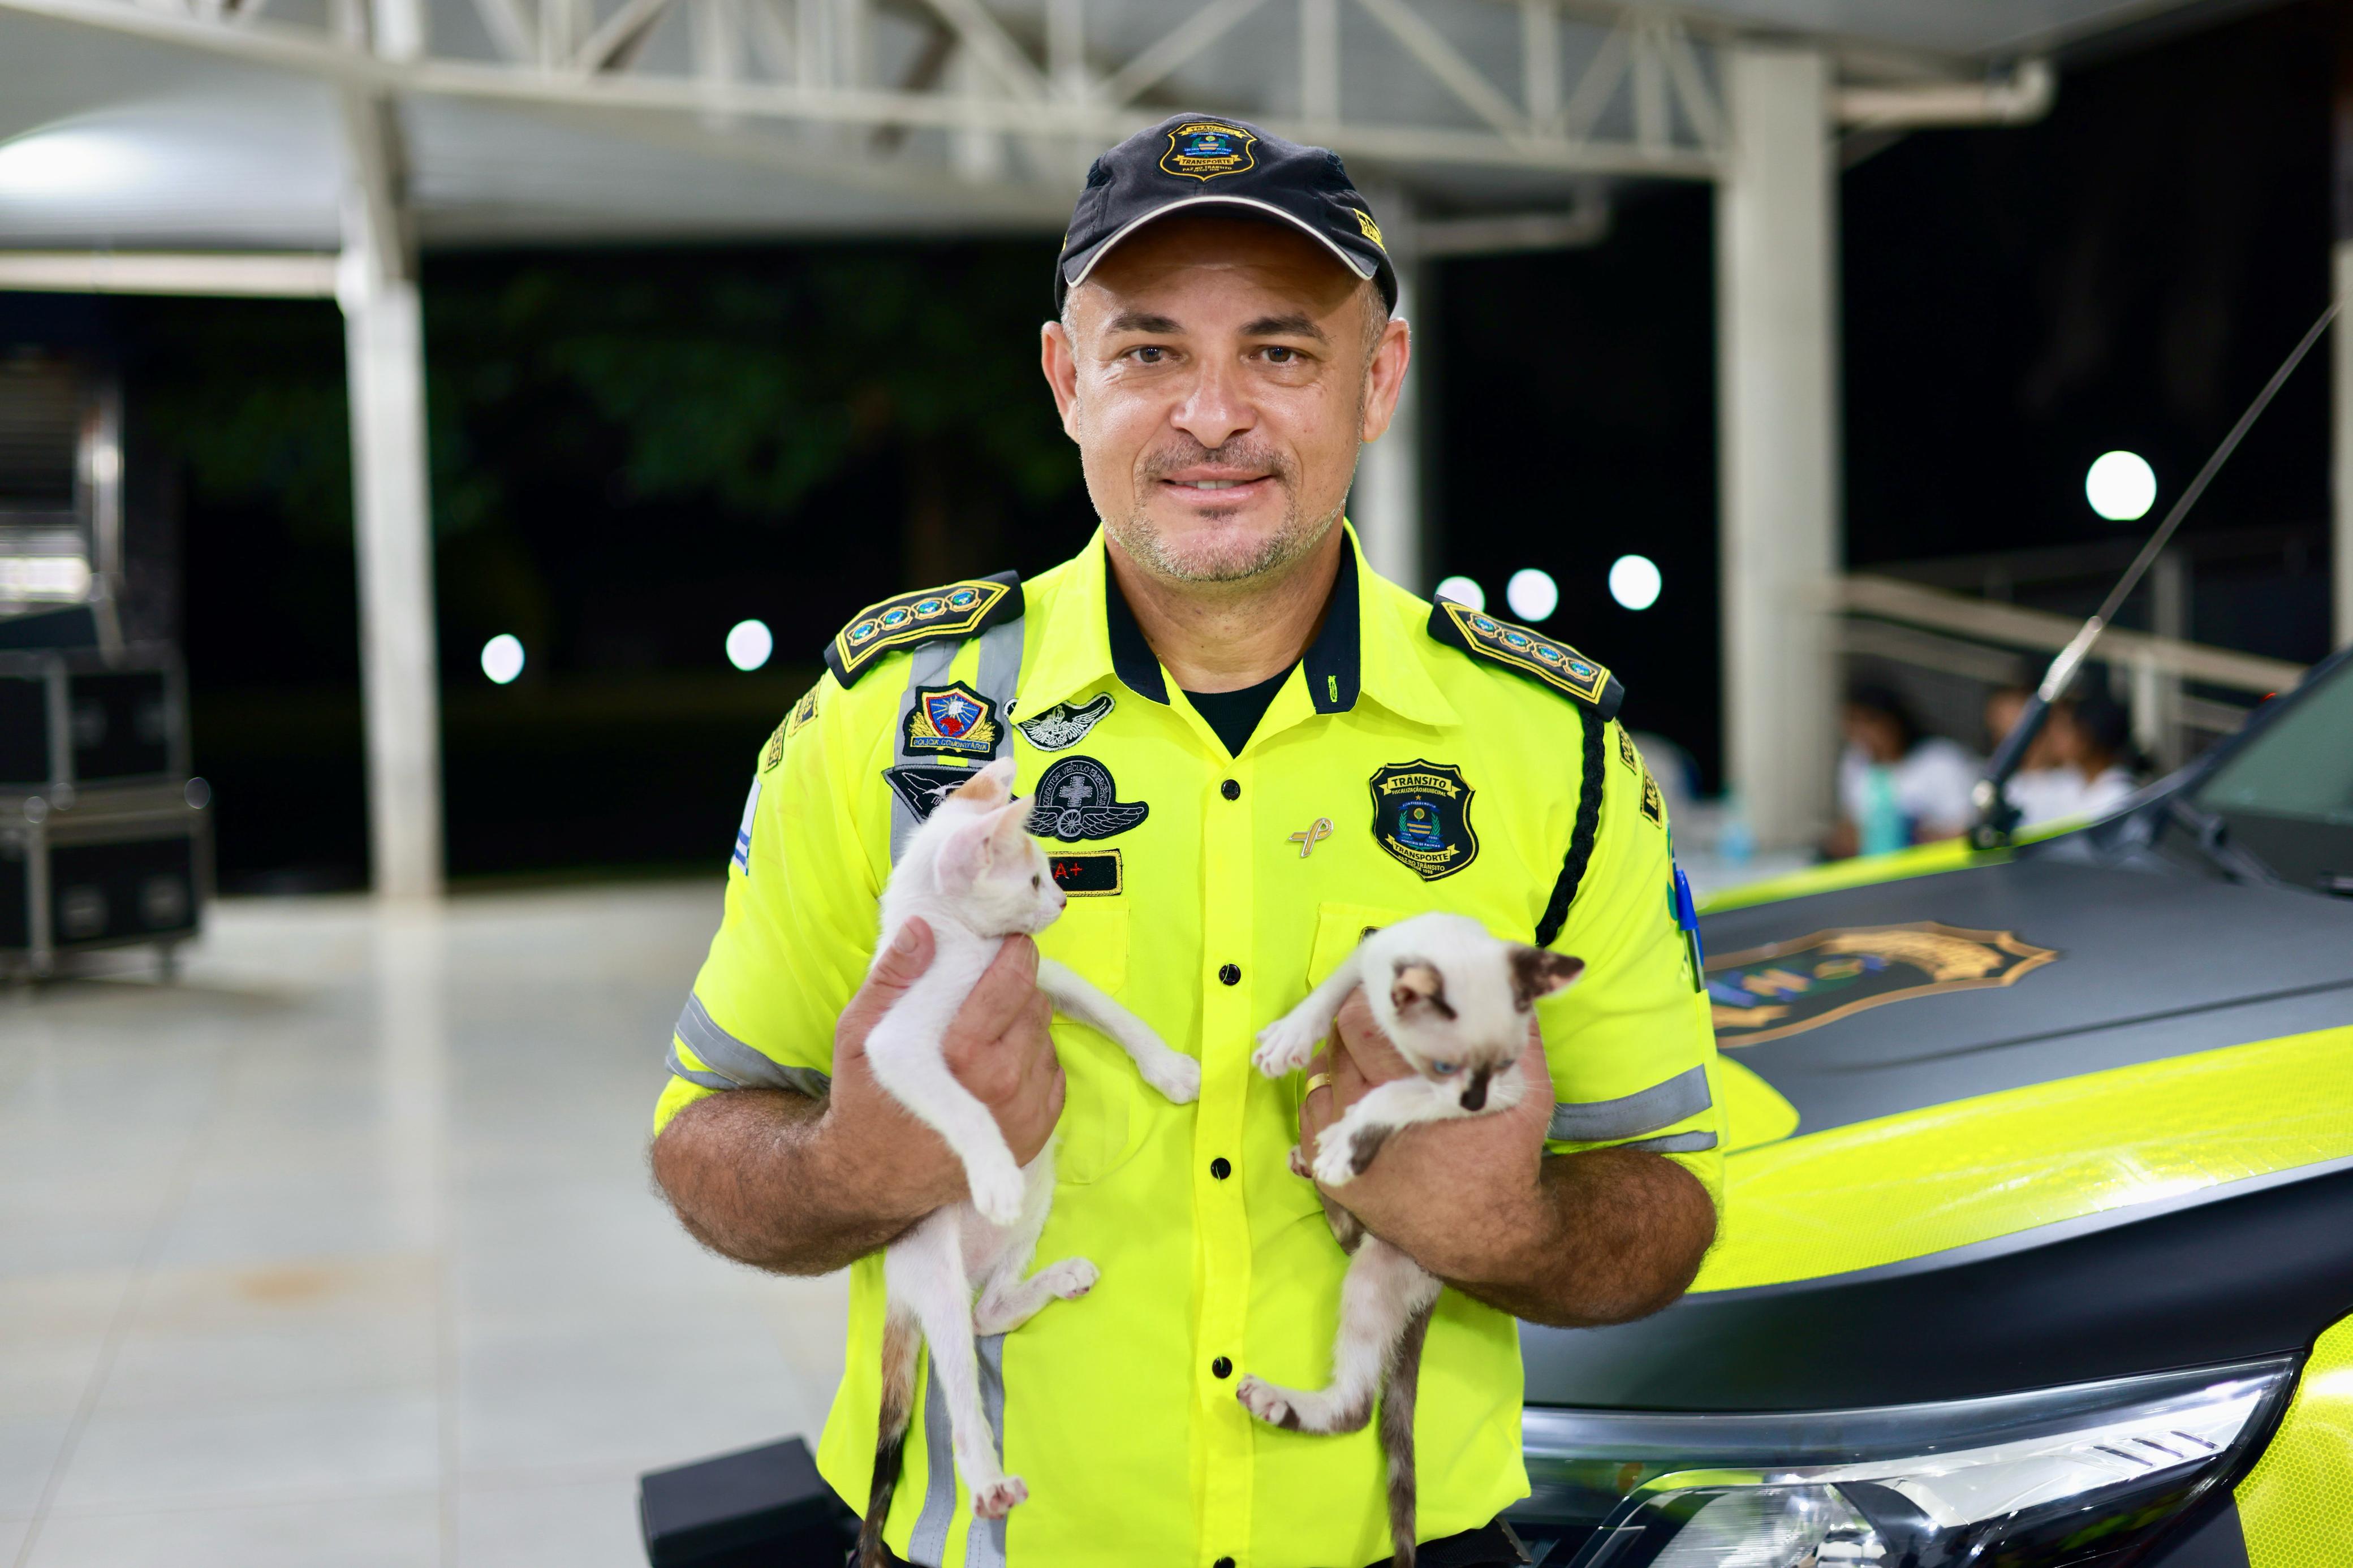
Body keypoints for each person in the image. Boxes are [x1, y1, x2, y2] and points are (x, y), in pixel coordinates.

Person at [647, 113, 1721, 1568]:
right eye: (1149, 351)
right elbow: (705, 1131)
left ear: (1378, 378)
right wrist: (853, 1166)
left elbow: (1666, 1200)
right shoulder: (887, 721)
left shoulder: (1549, 746)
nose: (1210, 414)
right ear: (1064, 378)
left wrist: (1509, 1227)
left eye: (1279, 351)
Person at [1826, 683, 1979, 858]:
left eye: (1870, 721)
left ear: (1894, 721)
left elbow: (1967, 830)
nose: (1863, 733)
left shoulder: (1940, 760)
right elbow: (1851, 826)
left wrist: (1914, 838)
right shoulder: (1854, 762)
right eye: (1853, 722)